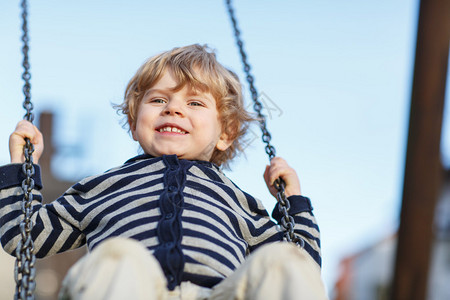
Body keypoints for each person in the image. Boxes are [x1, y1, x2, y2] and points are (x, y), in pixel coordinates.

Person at [1, 44, 327, 299]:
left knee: (283, 261)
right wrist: (21, 168)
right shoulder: (101, 188)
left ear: (225, 133)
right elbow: (22, 236)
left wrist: (294, 202)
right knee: (118, 256)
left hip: (217, 294)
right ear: (133, 121)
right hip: (131, 291)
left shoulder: (237, 201)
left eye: (195, 103)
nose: (173, 108)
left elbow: (302, 267)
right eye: (158, 99)